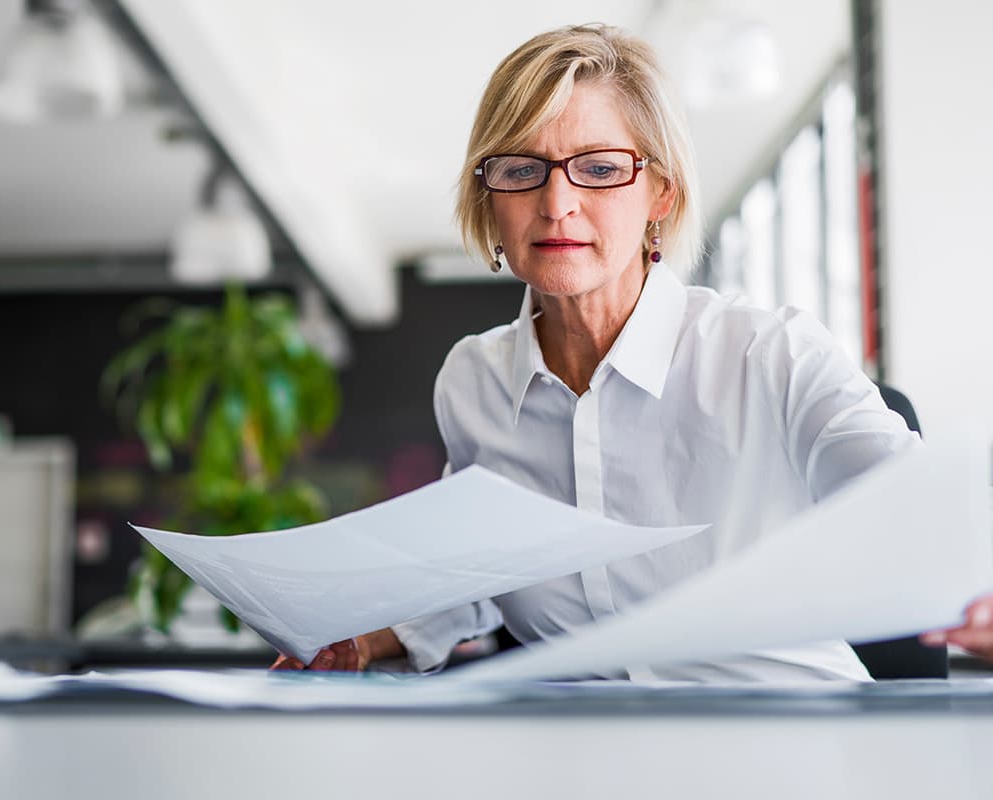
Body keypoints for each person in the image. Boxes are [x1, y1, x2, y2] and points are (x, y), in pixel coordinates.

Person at [273, 23, 922, 680]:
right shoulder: (475, 383)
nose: (557, 205)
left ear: (660, 195)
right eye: (522, 169)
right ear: (489, 197)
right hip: (583, 748)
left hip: (785, 743)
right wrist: (365, 637)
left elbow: (924, 517)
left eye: (601, 169)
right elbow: (484, 568)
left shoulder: (770, 355)